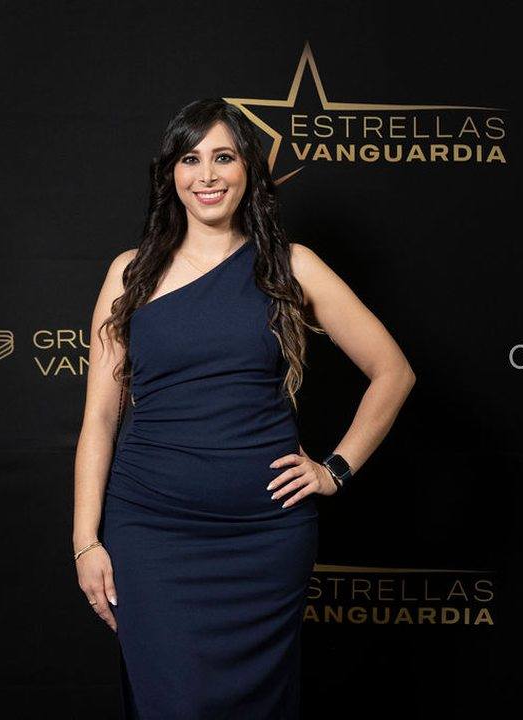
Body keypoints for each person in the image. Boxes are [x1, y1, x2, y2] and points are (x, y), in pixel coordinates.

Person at [73, 98, 415, 718]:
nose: (206, 175)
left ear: (249, 170)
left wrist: (334, 469)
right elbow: (99, 417)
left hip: (264, 540)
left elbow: (393, 372)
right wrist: (85, 542)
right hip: (152, 531)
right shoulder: (130, 274)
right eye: (190, 158)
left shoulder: (291, 266)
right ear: (170, 174)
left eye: (223, 157)